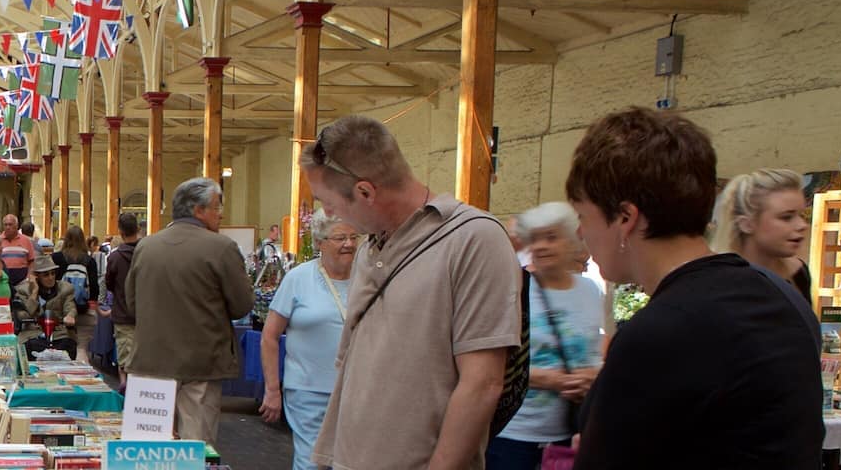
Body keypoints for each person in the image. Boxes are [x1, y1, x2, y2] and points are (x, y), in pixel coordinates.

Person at [565, 108, 821, 468]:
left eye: (583, 216)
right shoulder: (783, 297)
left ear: (625, 217)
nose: (580, 232)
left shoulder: (659, 333)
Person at [302, 115, 521, 470]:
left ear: (365, 192)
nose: (327, 212)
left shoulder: (473, 239)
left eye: (327, 201)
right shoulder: (369, 248)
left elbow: (482, 383)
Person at [124, 177, 254, 449]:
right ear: (198, 210)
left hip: (150, 362)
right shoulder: (221, 248)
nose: (220, 214)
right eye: (217, 207)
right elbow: (241, 305)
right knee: (195, 450)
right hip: (201, 366)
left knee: (147, 449)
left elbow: (132, 304)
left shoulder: (146, 246)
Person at [485, 202, 606, 470]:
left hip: (569, 432)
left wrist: (593, 376)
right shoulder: (514, 290)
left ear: (571, 240)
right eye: (535, 238)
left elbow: (597, 350)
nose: (541, 246)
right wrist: (552, 379)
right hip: (513, 435)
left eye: (551, 237)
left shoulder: (590, 291)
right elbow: (494, 363)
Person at [257, 209, 357, 470]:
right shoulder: (298, 278)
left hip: (357, 391)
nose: (349, 244)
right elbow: (269, 336)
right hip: (308, 391)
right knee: (312, 463)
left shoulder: (367, 278)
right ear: (320, 243)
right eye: (340, 238)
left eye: (353, 237)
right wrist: (272, 390)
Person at [712, 168, 813, 301]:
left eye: (801, 215)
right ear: (746, 224)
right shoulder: (718, 282)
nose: (802, 225)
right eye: (786, 217)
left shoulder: (798, 272)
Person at [100, 214, 142, 386]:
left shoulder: (115, 258)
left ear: (120, 232)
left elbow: (109, 283)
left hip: (123, 313)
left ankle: (125, 387)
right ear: (138, 229)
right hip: (146, 315)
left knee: (124, 357)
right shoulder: (147, 254)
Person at [51, 226, 100, 363]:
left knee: (62, 346)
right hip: (83, 308)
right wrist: (92, 305)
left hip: (62, 310)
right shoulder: (89, 260)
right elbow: (94, 286)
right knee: (82, 348)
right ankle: (83, 372)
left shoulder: (57, 258)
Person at [15, 255, 76, 358]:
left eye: (53, 273)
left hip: (58, 333)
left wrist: (70, 316)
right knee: (31, 347)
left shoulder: (65, 288)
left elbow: (70, 307)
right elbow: (23, 316)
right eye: (46, 275)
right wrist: (34, 292)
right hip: (33, 334)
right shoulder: (23, 290)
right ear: (36, 277)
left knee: (68, 345)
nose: (51, 278)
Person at [0, 214, 36, 285]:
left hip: (22, 282)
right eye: (5, 225)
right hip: (3, 281)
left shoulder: (26, 240)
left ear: (17, 226)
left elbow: (31, 261)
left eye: (10, 224)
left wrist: (29, 277)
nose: (8, 227)